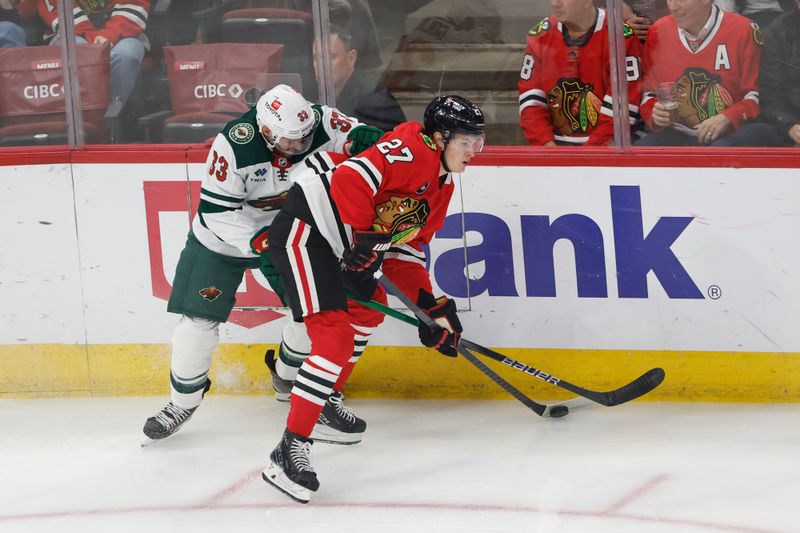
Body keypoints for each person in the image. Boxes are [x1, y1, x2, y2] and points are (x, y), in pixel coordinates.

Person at [261, 94, 485, 503]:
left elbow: (405, 251)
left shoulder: (442, 185)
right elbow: (352, 178)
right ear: (439, 137)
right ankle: (288, 450)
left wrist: (430, 308)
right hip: (306, 233)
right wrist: (364, 234)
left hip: (343, 247)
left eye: (477, 143)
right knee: (333, 339)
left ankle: (323, 399)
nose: (473, 152)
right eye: (466, 142)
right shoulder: (413, 148)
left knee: (366, 313)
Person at [141, 84, 383, 444]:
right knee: (198, 322)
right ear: (266, 130)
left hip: (287, 232)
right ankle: (182, 402)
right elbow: (217, 212)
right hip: (224, 239)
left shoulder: (316, 121)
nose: (299, 147)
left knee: (311, 313)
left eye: (304, 139)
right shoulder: (235, 144)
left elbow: (362, 139)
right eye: (289, 142)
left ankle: (287, 378)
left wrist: (373, 142)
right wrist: (259, 243)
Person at [637, 0, 777, 146]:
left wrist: (728, 116)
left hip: (727, 135)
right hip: (675, 133)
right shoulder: (658, 30)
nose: (673, 7)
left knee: (722, 150)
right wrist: (654, 112)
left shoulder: (743, 29)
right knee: (640, 154)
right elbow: (649, 93)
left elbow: (757, 94)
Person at [518, 0, 644, 146]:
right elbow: (531, 101)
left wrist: (586, 155)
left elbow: (624, 105)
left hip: (607, 147)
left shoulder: (620, 36)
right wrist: (548, 147)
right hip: (552, 147)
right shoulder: (540, 36)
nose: (555, 3)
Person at [38, 0, 149, 106]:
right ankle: (89, 113)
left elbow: (135, 5)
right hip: (73, 34)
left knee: (126, 54)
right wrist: (95, 44)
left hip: (125, 32)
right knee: (74, 53)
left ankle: (115, 112)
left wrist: (109, 35)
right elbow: (60, 16)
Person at [313, 23, 406, 132]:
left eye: (331, 57)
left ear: (351, 59)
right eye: (316, 58)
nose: (321, 65)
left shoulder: (376, 101)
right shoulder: (315, 97)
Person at [758, 0, 800, 146]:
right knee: (754, 134)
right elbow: (769, 95)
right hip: (791, 122)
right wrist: (790, 126)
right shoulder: (776, 33)